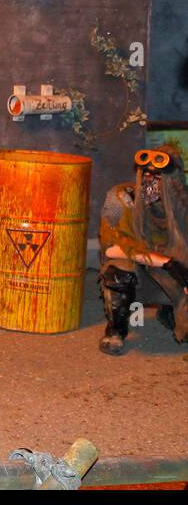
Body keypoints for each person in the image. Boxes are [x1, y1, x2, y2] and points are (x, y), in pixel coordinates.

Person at [97, 145, 188, 354]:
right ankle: (115, 331)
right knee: (117, 272)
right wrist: (167, 262)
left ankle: (170, 312)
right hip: (140, 270)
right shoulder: (122, 198)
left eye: (157, 177)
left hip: (177, 278)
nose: (149, 182)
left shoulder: (183, 205)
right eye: (145, 174)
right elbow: (111, 250)